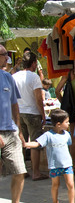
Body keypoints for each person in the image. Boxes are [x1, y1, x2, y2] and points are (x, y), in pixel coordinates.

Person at [24, 109, 75, 203]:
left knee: (71, 184)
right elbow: (37, 144)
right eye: (67, 122)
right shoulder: (48, 135)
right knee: (55, 184)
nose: (69, 123)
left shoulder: (67, 135)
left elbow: (68, 146)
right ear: (59, 124)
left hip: (67, 165)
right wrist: (26, 144)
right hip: (54, 166)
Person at [0, 44, 32, 203]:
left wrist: (19, 131)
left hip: (10, 131)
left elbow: (14, 106)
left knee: (20, 171)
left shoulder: (7, 78)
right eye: (5, 55)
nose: (7, 59)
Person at [12, 51, 48, 181]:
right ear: (33, 63)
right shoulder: (34, 77)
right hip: (32, 113)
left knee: (21, 142)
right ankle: (36, 172)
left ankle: (22, 171)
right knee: (34, 143)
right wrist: (43, 114)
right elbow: (39, 99)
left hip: (18, 113)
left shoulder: (15, 76)